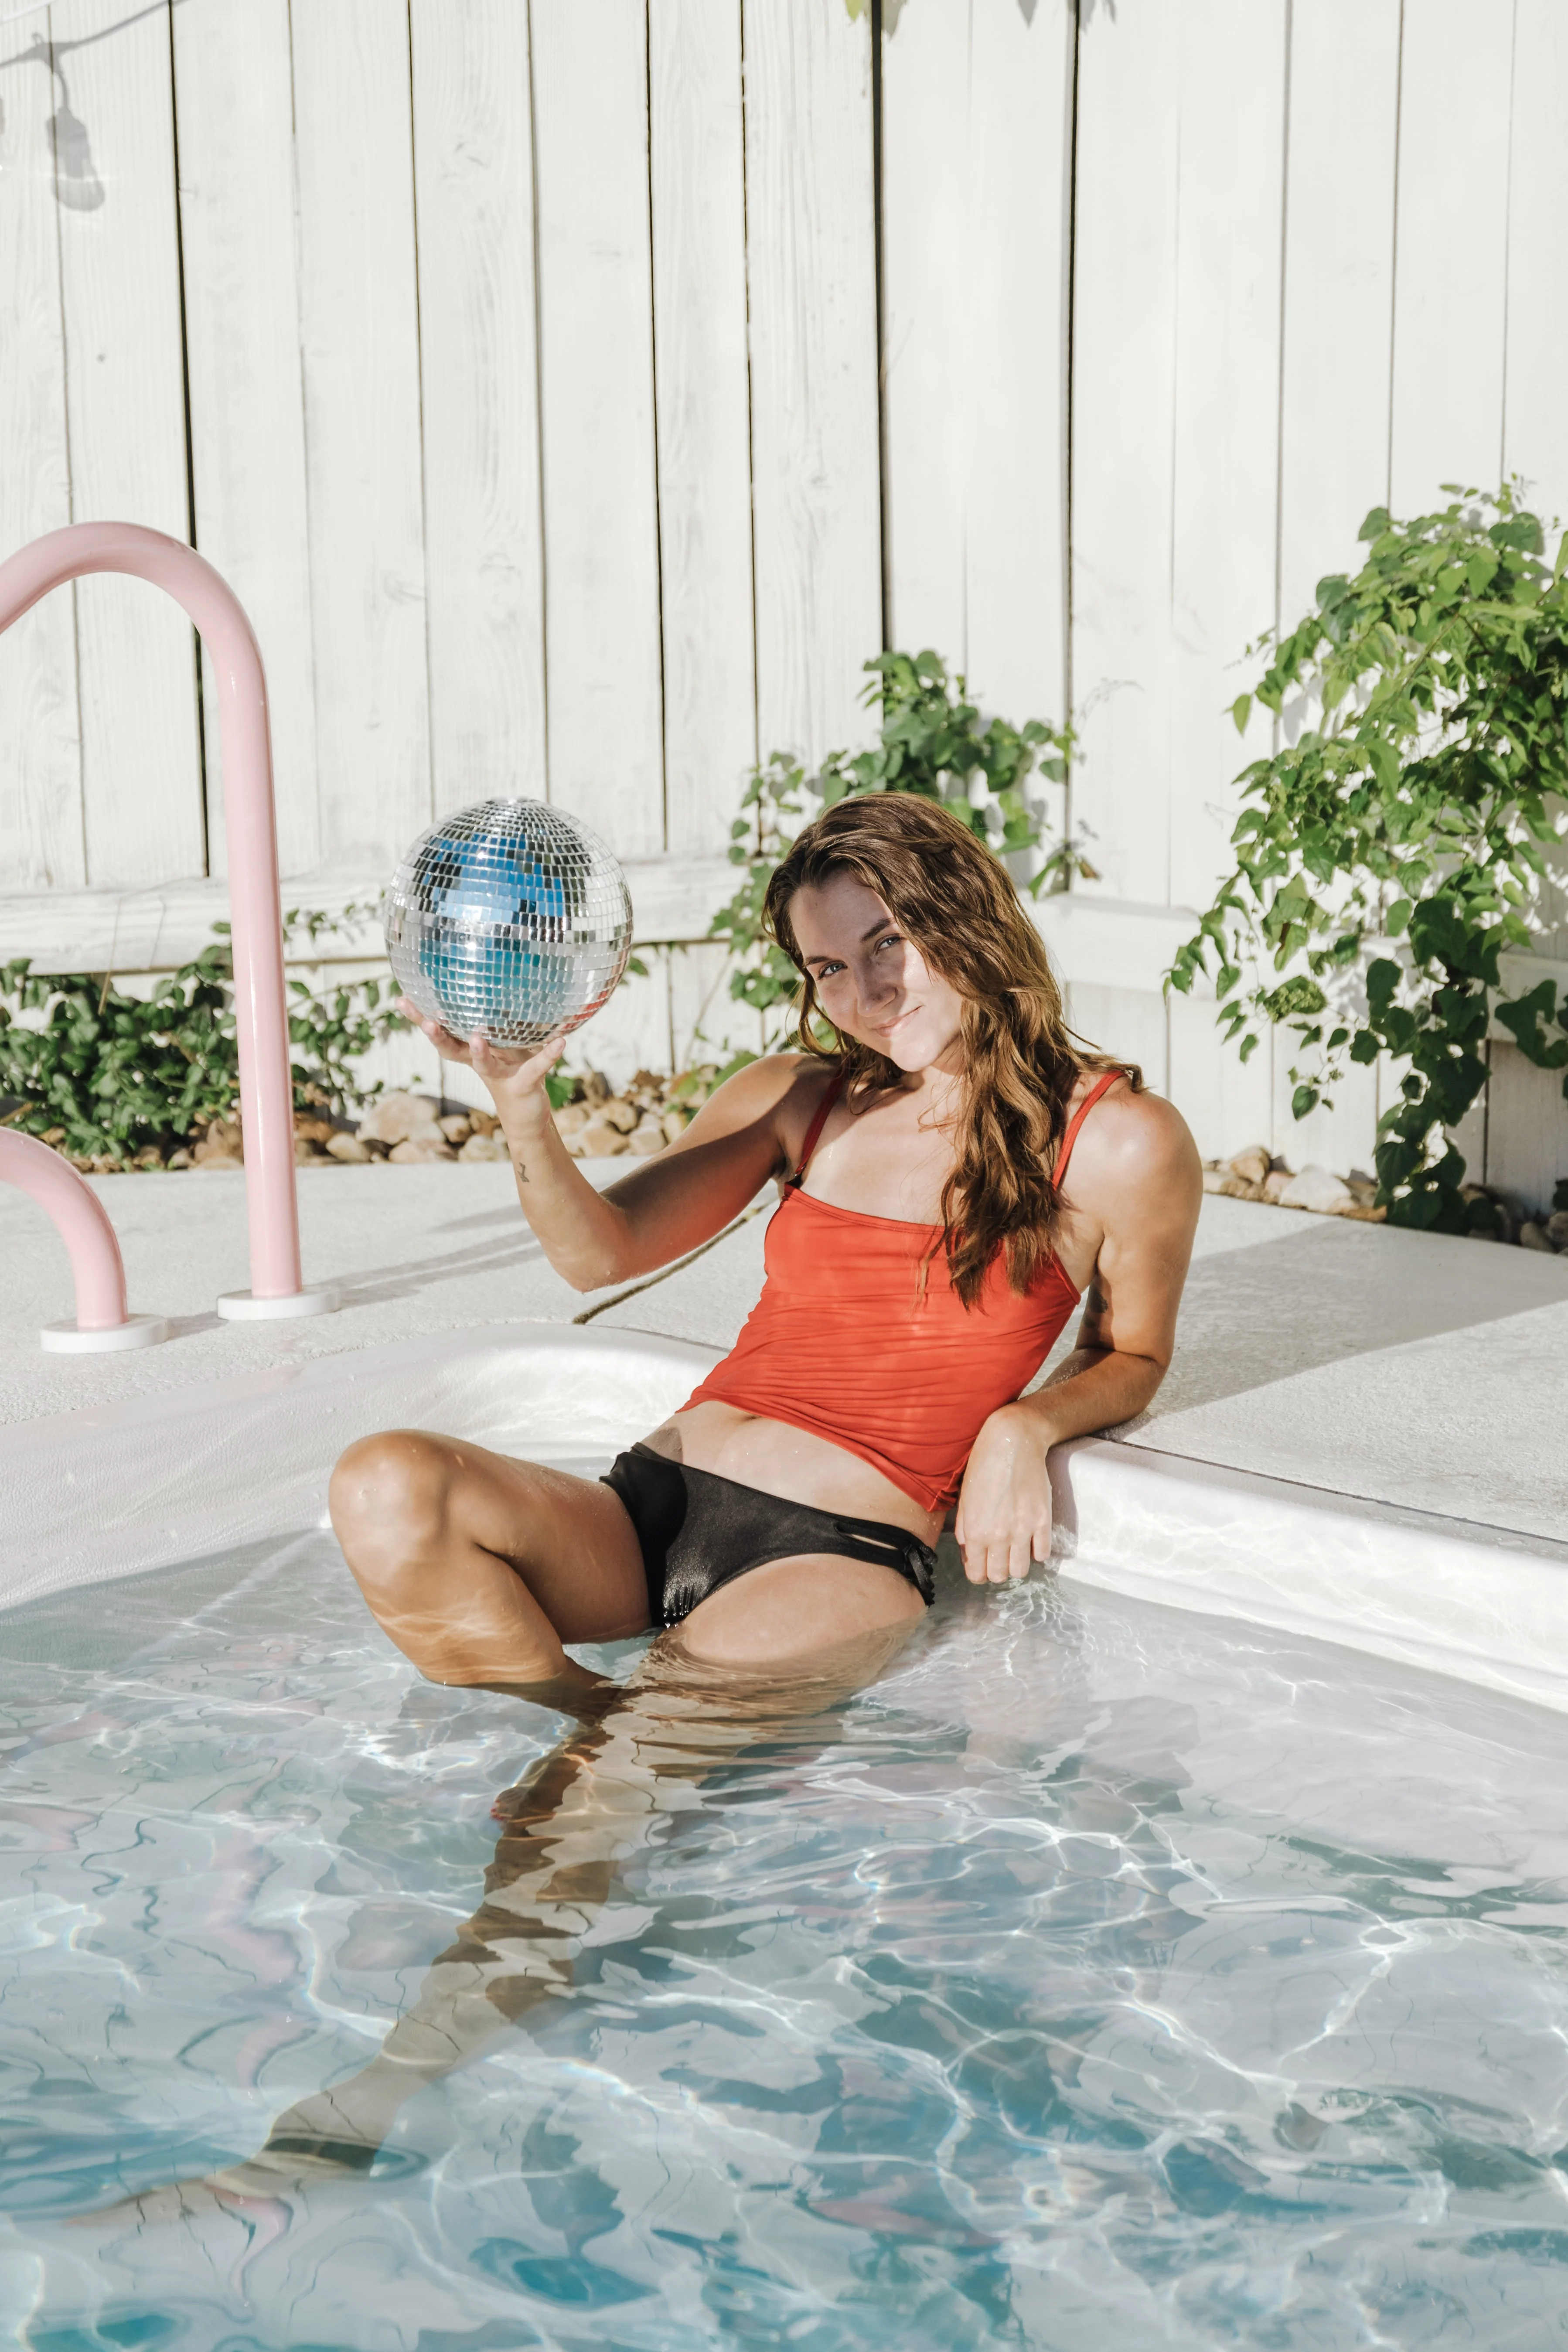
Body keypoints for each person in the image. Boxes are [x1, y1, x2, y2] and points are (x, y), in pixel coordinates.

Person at [330, 794, 1202, 1694]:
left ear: (968, 916)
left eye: (886, 943)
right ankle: (576, 1717)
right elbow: (599, 1256)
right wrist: (518, 1101)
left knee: (597, 1800)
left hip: (834, 1551)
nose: (865, 996)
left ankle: (602, 1762)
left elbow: (1131, 1351)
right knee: (383, 1481)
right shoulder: (800, 1098)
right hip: (645, 1510)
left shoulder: (1115, 1139)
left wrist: (1024, 1426)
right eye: (827, 966)